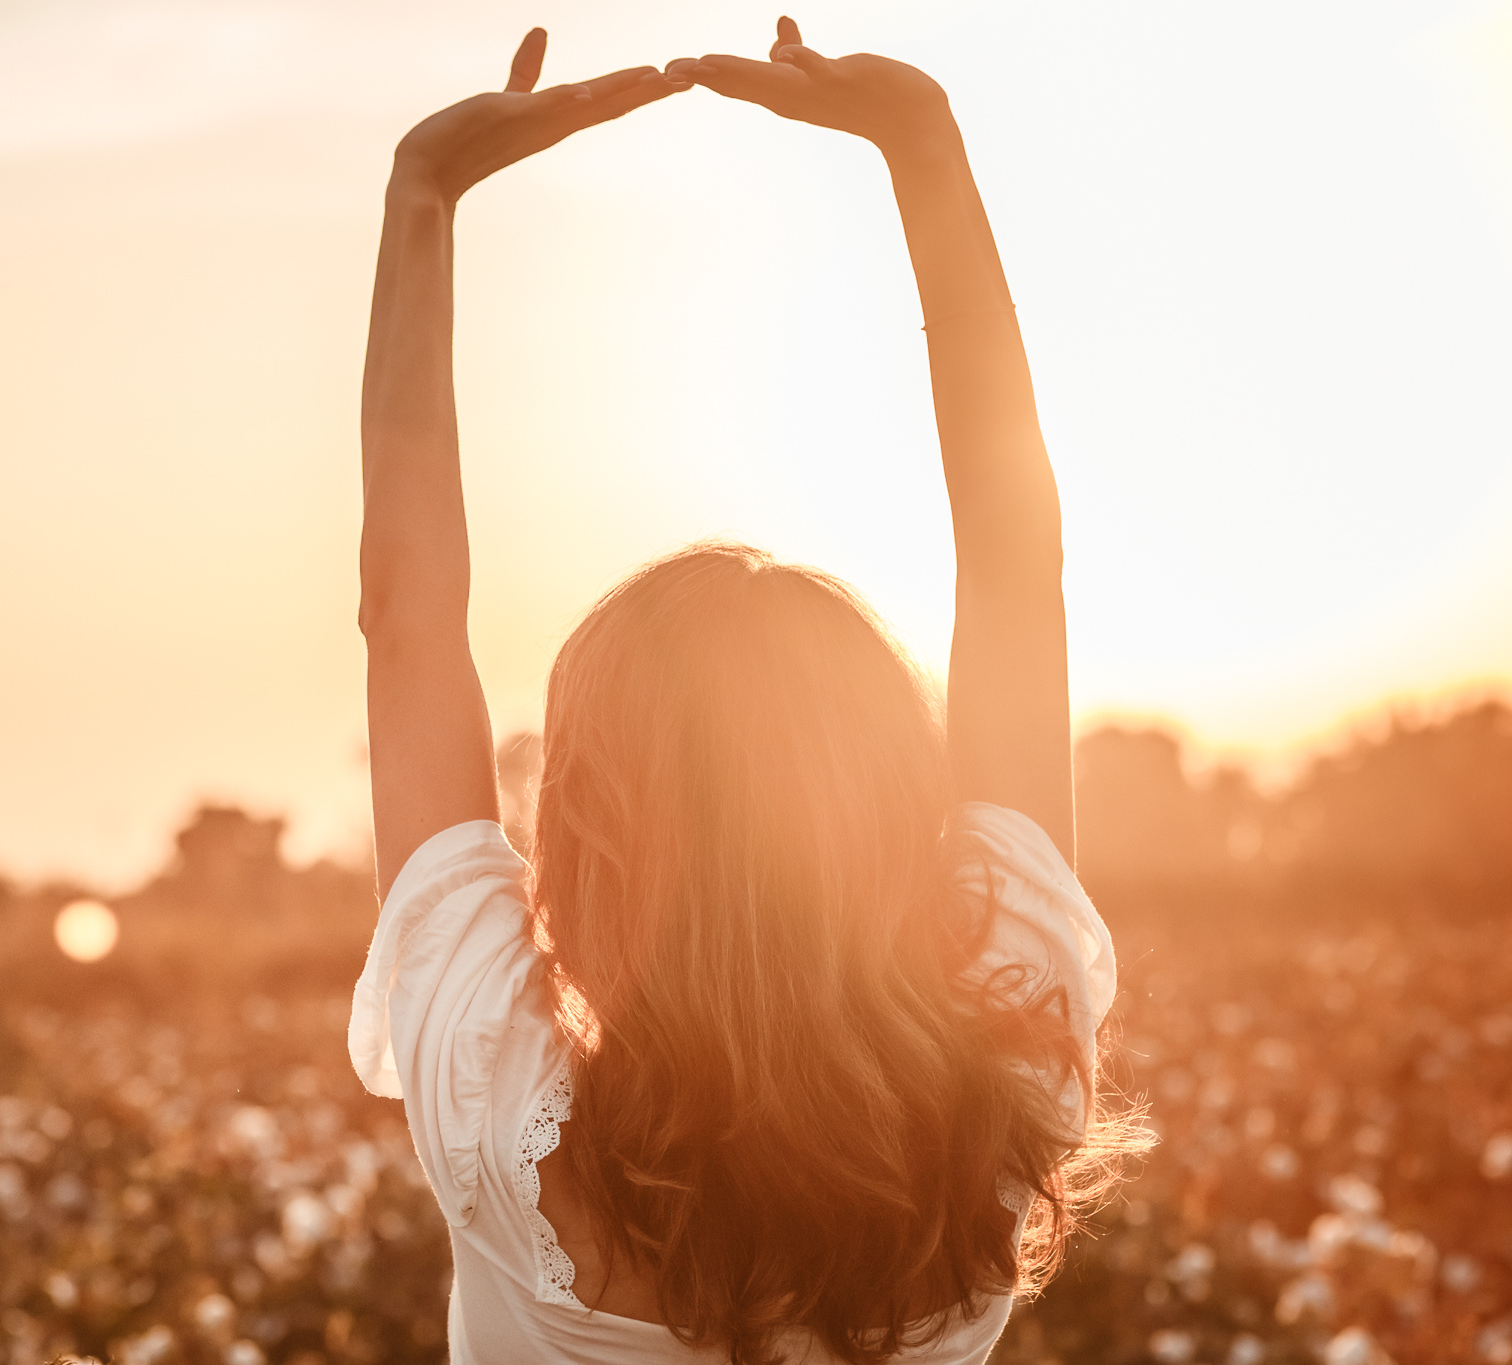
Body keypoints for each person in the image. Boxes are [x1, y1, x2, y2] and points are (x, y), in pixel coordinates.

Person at [349, 19, 1145, 1364]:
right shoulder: (1008, 1061)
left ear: (591, 816)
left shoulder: (492, 1085)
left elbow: (404, 621)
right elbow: (1020, 574)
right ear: (892, 794)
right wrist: (925, 153)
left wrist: (423, 197)